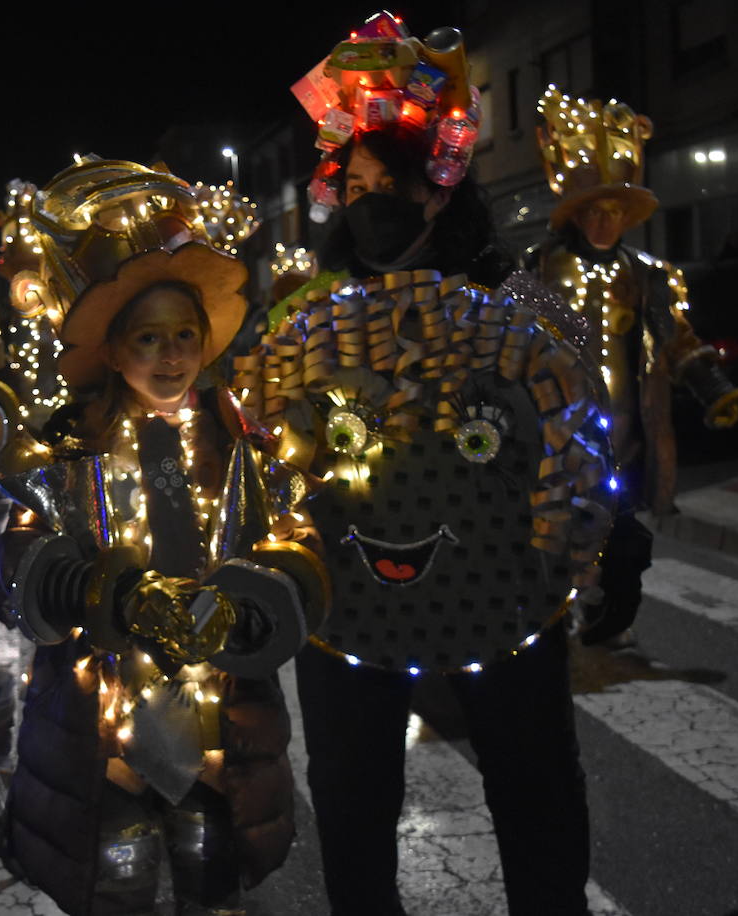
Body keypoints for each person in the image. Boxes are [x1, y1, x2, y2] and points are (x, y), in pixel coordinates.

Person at [254, 15, 617, 915]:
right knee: (352, 798)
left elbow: (582, 435)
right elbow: (266, 455)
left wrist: (611, 533)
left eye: (397, 184)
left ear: (442, 190)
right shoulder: (304, 319)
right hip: (349, 603)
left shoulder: (521, 303)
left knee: (533, 788)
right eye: (362, 183)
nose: (377, 200)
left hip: (504, 593)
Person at [0, 158, 328, 916]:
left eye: (185, 336)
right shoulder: (66, 451)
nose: (172, 356)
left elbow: (302, 544)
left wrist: (250, 606)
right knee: (118, 888)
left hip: (221, 735)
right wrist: (106, 591)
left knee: (213, 891)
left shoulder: (244, 443)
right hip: (102, 742)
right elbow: (11, 564)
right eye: (149, 339)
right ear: (112, 350)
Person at [526, 85, 738, 645]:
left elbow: (676, 340)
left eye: (613, 211)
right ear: (576, 216)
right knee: (556, 539)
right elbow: (514, 350)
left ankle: (607, 615)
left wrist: (713, 388)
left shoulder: (648, 275)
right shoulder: (541, 272)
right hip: (560, 441)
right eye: (593, 211)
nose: (604, 223)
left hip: (625, 439)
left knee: (623, 541)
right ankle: (551, 623)